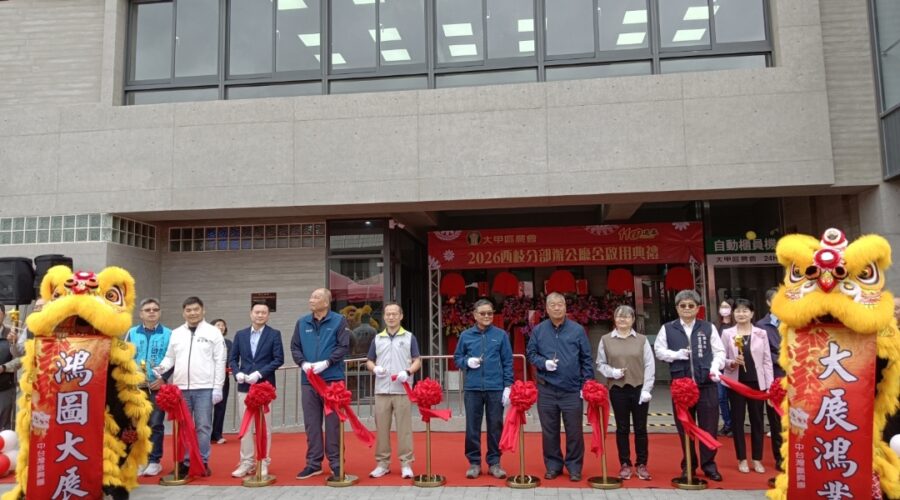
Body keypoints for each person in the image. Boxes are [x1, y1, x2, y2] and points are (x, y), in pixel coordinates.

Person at [654, 289, 726, 482]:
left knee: (709, 426)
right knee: (684, 427)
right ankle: (689, 465)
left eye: (691, 305)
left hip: (706, 385)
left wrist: (715, 367)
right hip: (682, 387)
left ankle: (709, 465)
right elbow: (659, 351)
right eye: (683, 305)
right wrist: (675, 354)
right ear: (677, 308)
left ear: (697, 308)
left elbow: (719, 352)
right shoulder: (668, 328)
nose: (687, 309)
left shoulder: (708, 327)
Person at [154, 296, 226, 477]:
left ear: (203, 310)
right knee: (183, 427)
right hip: (181, 389)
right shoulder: (176, 333)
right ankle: (184, 463)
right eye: (188, 310)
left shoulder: (213, 332)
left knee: (203, 426)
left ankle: (202, 461)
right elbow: (170, 357)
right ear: (183, 312)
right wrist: (160, 369)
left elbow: (220, 361)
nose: (192, 313)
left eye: (196, 309)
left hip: (205, 388)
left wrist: (218, 387)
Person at [526, 292, 594, 482]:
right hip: (547, 389)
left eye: (560, 304)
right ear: (546, 309)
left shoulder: (577, 330)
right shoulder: (539, 330)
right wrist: (543, 363)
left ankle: (574, 467)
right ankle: (553, 465)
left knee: (574, 431)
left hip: (571, 390)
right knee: (549, 431)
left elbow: (586, 358)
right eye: (553, 305)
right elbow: (531, 353)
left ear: (565, 307)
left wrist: (587, 384)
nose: (557, 308)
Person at [290, 288, 351, 480]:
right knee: (311, 423)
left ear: (326, 302)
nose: (311, 300)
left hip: (332, 380)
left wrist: (327, 362)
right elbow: (295, 347)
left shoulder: (339, 321)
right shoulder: (302, 322)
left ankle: (336, 463)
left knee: (333, 424)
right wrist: (303, 363)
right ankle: (313, 463)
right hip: (309, 381)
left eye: (316, 297)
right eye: (311, 297)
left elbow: (343, 346)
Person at [453, 299, 513, 480]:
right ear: (475, 315)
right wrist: (467, 362)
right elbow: (457, 358)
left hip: (495, 387)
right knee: (472, 426)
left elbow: (507, 361)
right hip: (473, 388)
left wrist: (508, 386)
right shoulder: (466, 336)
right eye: (483, 313)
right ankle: (474, 463)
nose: (487, 316)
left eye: (490, 313)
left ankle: (494, 462)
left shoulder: (501, 335)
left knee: (495, 426)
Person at [596, 304, 655, 481]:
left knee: (640, 427)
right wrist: (611, 372)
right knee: (622, 427)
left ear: (633, 320)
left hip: (639, 388)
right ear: (614, 319)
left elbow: (649, 365)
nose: (622, 319)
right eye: (619, 316)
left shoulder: (642, 340)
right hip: (618, 389)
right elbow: (600, 363)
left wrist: (647, 389)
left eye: (627, 316)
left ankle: (642, 464)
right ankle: (625, 463)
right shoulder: (606, 339)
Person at [229, 302, 285, 478]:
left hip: (264, 387)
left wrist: (260, 373)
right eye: (257, 312)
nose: (260, 315)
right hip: (244, 385)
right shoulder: (240, 335)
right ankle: (246, 462)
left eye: (263, 312)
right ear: (250, 313)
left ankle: (263, 461)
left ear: (268, 315)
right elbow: (232, 359)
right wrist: (237, 373)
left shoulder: (274, 334)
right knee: (246, 426)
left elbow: (278, 359)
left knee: (264, 427)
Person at [365, 303, 421, 479]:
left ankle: (406, 464)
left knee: (404, 429)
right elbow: (369, 360)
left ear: (401, 316)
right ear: (384, 317)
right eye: (388, 314)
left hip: (402, 390)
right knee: (382, 429)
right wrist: (374, 368)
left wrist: (408, 372)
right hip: (382, 390)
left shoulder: (409, 337)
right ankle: (382, 464)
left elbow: (417, 360)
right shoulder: (377, 338)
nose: (391, 317)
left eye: (394, 314)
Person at [722, 298, 773, 474]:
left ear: (752, 314)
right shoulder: (727, 333)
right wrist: (732, 362)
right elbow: (721, 358)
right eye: (738, 310)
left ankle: (757, 459)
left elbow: (767, 361)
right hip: (736, 383)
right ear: (733, 313)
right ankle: (742, 458)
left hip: (757, 384)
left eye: (745, 310)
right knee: (737, 421)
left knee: (757, 420)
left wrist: (770, 386)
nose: (741, 314)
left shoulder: (761, 333)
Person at [125, 298, 172, 477]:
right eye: (147, 309)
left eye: (155, 309)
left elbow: (174, 359)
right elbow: (125, 357)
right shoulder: (132, 333)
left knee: (155, 424)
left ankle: (154, 461)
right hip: (136, 387)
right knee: (135, 424)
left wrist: (163, 379)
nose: (151, 312)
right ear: (141, 314)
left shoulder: (168, 334)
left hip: (157, 387)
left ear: (160, 312)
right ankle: (138, 460)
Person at [756, 287, 784, 471]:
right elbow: (762, 354)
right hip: (775, 378)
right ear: (768, 303)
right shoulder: (761, 326)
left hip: (797, 378)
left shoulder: (795, 321)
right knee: (776, 421)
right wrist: (784, 359)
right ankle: (780, 457)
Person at [210, 319, 232, 446]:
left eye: (223, 325)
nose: (221, 327)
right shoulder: (208, 342)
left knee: (221, 407)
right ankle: (205, 434)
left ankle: (217, 434)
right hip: (207, 379)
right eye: (218, 325)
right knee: (206, 407)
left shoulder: (228, 343)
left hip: (223, 379)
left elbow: (231, 358)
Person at [716, 299, 735, 437]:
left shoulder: (736, 326)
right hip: (720, 365)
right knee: (721, 397)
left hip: (733, 365)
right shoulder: (716, 326)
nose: (724, 309)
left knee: (733, 397)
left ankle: (735, 423)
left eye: (727, 306)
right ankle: (728, 423)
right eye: (722, 306)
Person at [0, 305, 17, 430]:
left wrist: (4, 367)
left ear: (4, 315)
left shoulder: (12, 334)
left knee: (4, 426)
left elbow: (20, 358)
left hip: (5, 387)